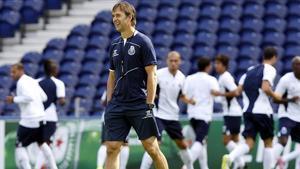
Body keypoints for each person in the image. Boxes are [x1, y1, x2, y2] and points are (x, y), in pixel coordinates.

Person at [105, 2, 168, 169]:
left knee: (152, 148)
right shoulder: (114, 45)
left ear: (130, 17)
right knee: (112, 148)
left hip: (139, 104)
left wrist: (149, 103)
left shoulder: (143, 41)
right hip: (117, 104)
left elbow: (152, 74)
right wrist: (110, 101)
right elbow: (111, 75)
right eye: (113, 16)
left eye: (118, 15)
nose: (114, 19)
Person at [222, 47, 280, 169]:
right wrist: (276, 96)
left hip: (248, 111)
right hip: (263, 111)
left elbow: (238, 91)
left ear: (263, 56)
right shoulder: (270, 69)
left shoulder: (249, 70)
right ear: (274, 57)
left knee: (249, 142)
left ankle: (230, 157)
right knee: (268, 143)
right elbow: (265, 87)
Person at [140, 51, 195, 169]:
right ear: (167, 61)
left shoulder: (182, 78)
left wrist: (190, 101)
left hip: (173, 117)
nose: (173, 63)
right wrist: (151, 95)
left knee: (182, 145)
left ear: (180, 62)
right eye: (171, 61)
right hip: (158, 115)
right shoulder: (158, 74)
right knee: (154, 144)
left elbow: (182, 95)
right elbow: (148, 88)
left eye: (176, 61)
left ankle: (189, 167)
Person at [6, 63, 57, 169]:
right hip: (41, 118)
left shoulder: (21, 82)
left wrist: (14, 99)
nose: (12, 74)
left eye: (14, 72)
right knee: (43, 144)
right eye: (11, 72)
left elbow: (29, 97)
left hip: (29, 120)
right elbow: (44, 97)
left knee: (20, 146)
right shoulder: (32, 81)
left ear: (21, 70)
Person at [182, 57, 220, 169]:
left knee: (202, 142)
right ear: (208, 67)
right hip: (204, 115)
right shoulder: (211, 79)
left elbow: (184, 95)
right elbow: (217, 97)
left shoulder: (189, 78)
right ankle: (186, 166)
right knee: (199, 141)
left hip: (192, 114)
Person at [214, 55, 245, 168]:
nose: (216, 66)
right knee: (235, 139)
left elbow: (236, 92)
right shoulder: (222, 77)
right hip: (231, 113)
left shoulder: (225, 77)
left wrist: (219, 94)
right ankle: (240, 164)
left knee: (226, 140)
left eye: (218, 64)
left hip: (232, 113)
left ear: (224, 65)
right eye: (215, 63)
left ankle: (240, 161)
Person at [34, 60, 66, 169]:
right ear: (53, 70)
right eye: (55, 68)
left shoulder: (37, 82)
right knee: (45, 144)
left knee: (42, 144)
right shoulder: (58, 83)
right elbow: (61, 101)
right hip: (50, 117)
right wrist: (62, 101)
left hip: (38, 116)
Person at [272, 56, 300, 169]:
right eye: (296, 64)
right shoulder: (286, 79)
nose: (298, 67)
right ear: (293, 67)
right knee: (283, 141)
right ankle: (268, 165)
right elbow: (275, 98)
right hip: (287, 115)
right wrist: (291, 100)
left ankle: (284, 160)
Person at [97, 91, 130, 169]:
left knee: (124, 144)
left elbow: (103, 102)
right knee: (106, 143)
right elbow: (104, 102)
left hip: (123, 117)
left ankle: (121, 167)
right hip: (112, 117)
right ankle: (99, 167)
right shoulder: (112, 85)